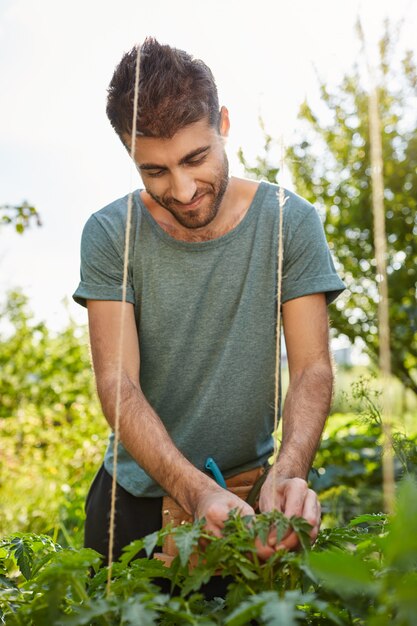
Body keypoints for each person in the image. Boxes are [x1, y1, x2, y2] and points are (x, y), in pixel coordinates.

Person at [73, 37, 345, 568]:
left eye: (195, 158)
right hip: (131, 505)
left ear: (222, 122)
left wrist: (287, 474)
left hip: (251, 497)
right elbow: (117, 383)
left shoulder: (290, 221)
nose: (181, 189)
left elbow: (312, 369)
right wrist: (195, 491)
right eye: (153, 171)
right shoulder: (110, 234)